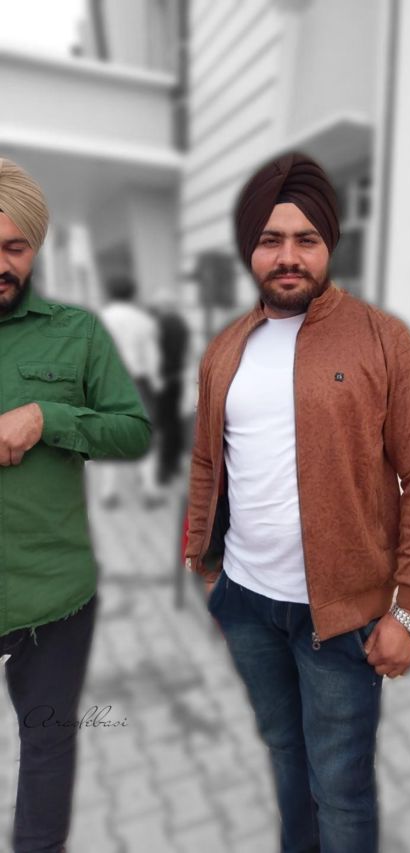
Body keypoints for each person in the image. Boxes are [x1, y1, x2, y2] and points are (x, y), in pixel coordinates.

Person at [185, 152, 410, 853]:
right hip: (247, 602)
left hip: (339, 620)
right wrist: (205, 565)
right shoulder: (226, 349)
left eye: (306, 238)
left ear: (329, 243)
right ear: (250, 249)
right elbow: (208, 461)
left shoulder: (382, 340)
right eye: (270, 239)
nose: (288, 256)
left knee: (340, 786)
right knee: (284, 751)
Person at [0, 156, 151, 853]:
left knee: (49, 746)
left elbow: (133, 430)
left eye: (15, 247)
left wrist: (48, 418)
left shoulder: (78, 331)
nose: (1, 263)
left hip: (55, 597)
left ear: (36, 247)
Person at [99, 275, 163, 507]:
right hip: (137, 383)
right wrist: (156, 384)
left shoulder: (98, 320)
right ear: (133, 294)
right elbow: (152, 357)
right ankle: (149, 491)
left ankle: (108, 493)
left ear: (108, 293)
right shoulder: (144, 321)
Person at [151, 292, 190, 484]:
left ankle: (165, 470)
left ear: (163, 305)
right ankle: (175, 464)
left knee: (164, 424)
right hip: (177, 377)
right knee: (173, 421)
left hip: (163, 378)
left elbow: (157, 354)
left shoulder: (161, 325)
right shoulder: (181, 324)